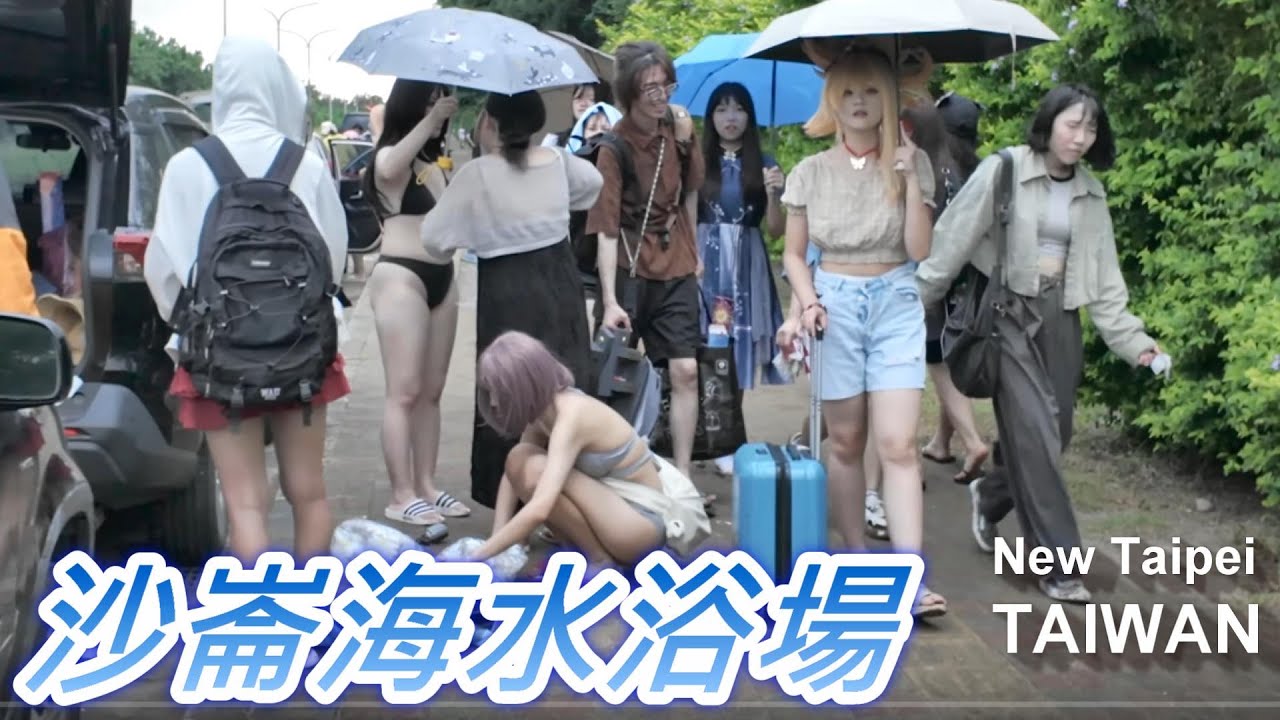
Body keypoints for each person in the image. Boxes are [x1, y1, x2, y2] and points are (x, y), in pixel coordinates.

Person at [916, 84, 1165, 603]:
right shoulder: (1005, 170)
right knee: (1037, 438)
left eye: (1090, 127)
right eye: (1072, 124)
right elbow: (952, 239)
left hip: (1062, 320)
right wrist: (916, 301)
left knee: (1055, 433)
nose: (1080, 137)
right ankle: (1059, 565)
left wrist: (1135, 343)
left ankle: (990, 494)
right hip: (1005, 315)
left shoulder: (1091, 194)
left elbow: (1105, 281)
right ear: (1049, 123)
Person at [143, 36, 349, 562]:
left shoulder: (188, 165)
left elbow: (163, 269)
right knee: (309, 492)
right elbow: (335, 258)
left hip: (220, 357)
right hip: (304, 350)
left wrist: (192, 322)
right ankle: (317, 614)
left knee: (245, 504)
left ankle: (262, 625)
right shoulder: (303, 164)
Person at [777, 45, 945, 617]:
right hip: (835, 305)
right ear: (832, 99)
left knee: (897, 444)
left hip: (897, 300)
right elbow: (794, 255)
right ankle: (854, 559)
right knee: (845, 442)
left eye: (871, 90)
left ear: (890, 97)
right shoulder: (809, 172)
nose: (858, 102)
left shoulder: (912, 162)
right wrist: (808, 303)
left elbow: (921, 251)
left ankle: (908, 577)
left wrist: (912, 182)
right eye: (847, 91)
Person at [418, 90, 603, 511]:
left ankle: (512, 502)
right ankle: (570, 499)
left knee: (509, 393)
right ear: (538, 121)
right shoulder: (559, 163)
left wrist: (477, 228)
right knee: (564, 391)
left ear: (491, 122)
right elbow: (593, 187)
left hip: (506, 293)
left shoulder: (478, 173)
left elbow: (433, 239)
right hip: (559, 290)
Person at [462, 331, 708, 569]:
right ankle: (593, 553)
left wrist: (476, 558)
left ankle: (600, 561)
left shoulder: (571, 415)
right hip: (610, 514)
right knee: (519, 458)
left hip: (640, 525)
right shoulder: (541, 413)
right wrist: (498, 543)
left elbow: (540, 508)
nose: (493, 401)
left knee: (538, 471)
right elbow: (513, 473)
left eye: (500, 391)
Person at [586, 41, 710, 506]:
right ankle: (616, 473)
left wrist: (694, 250)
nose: (661, 97)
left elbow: (692, 193)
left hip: (675, 263)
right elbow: (605, 227)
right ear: (629, 95)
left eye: (666, 85)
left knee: (684, 370)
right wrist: (611, 300)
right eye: (649, 89)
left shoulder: (679, 133)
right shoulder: (613, 148)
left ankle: (682, 475)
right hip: (628, 270)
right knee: (615, 379)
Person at [364, 79, 468, 527]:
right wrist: (430, 120)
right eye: (429, 98)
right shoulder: (393, 154)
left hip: (443, 277)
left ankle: (426, 484)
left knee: (431, 392)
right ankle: (400, 493)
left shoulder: (431, 160)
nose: (438, 105)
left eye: (441, 98)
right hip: (401, 278)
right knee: (403, 391)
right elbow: (387, 168)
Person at [696, 81, 788, 477]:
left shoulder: (764, 162)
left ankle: (728, 435)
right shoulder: (698, 160)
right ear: (711, 116)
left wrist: (774, 194)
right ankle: (717, 436)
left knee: (738, 351)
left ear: (750, 116)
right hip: (708, 262)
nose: (730, 118)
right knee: (711, 347)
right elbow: (687, 214)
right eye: (721, 109)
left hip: (747, 265)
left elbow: (775, 230)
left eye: (738, 109)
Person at [542, 83, 613, 148]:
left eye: (591, 99)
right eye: (578, 98)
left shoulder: (614, 140)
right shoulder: (554, 141)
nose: (583, 104)